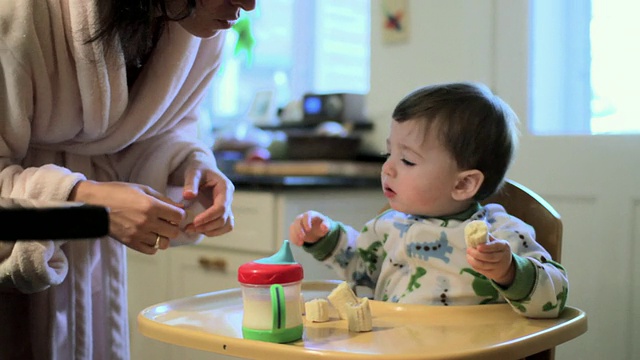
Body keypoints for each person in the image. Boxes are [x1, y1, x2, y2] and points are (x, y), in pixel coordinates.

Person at [0, 0, 256, 359]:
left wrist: (188, 164)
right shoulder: (20, 12)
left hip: (90, 281)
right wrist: (86, 201)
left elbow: (151, 130)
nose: (248, 3)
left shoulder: (202, 34)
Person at [289, 82, 568, 318]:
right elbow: (360, 268)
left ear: (463, 183)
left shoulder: (500, 234)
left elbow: (554, 296)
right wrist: (324, 237)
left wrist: (510, 271)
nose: (387, 168)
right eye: (389, 154)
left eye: (407, 160)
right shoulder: (387, 226)